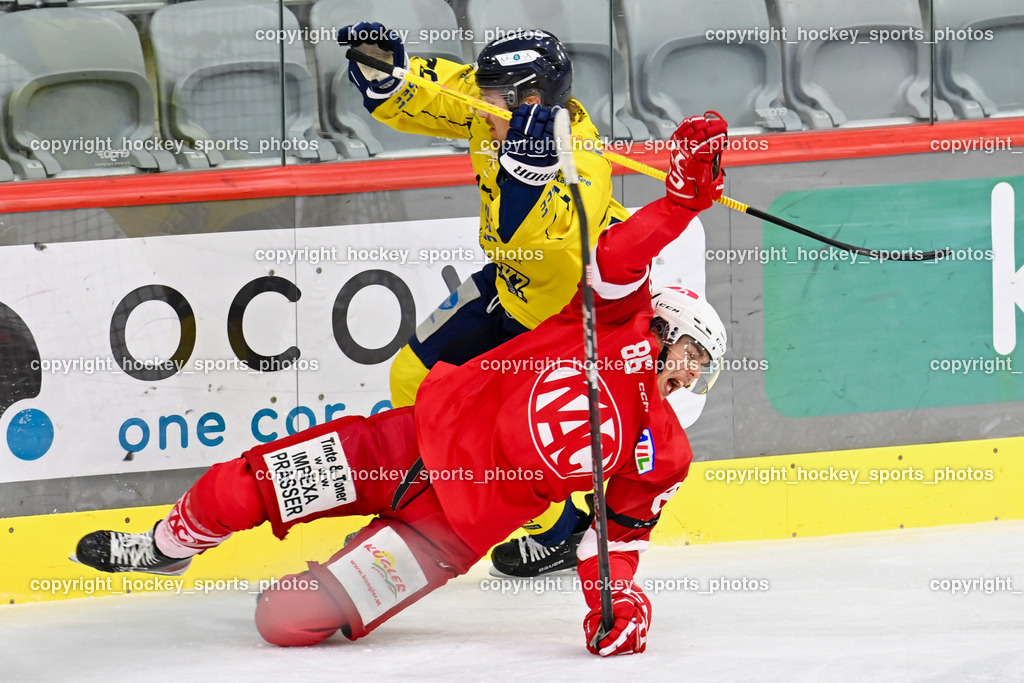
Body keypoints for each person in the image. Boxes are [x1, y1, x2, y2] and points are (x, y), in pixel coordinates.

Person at [74, 112, 728, 657]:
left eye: (706, 366)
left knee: (284, 620)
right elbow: (619, 256)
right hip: (403, 444)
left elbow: (615, 538)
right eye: (696, 351)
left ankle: (323, 579)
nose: (695, 371)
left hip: (447, 534)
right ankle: (163, 547)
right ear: (665, 324)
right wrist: (678, 204)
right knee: (243, 486)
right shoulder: (610, 321)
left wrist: (617, 606)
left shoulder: (666, 451)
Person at [338, 25, 630, 574]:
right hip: (507, 281)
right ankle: (420, 497)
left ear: (532, 101)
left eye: (490, 96)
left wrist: (531, 175)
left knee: (515, 435)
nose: (479, 101)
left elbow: (550, 235)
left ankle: (559, 527)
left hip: (559, 311)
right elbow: (438, 92)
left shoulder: (580, 161)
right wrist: (388, 77)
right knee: (412, 376)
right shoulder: (490, 109)